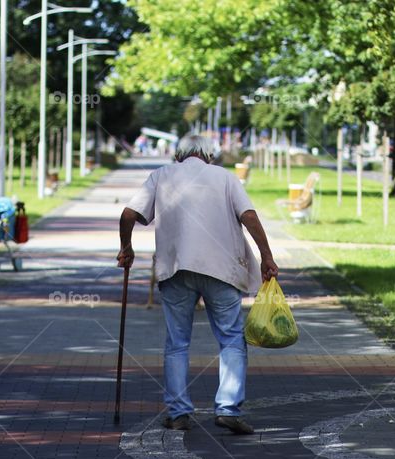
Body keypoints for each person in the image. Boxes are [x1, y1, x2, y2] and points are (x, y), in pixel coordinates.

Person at [117, 135, 278, 435]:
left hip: (176, 269)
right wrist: (266, 256)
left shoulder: (161, 176)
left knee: (177, 343)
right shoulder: (225, 178)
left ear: (179, 155)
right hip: (221, 270)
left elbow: (128, 214)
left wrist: (126, 248)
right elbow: (249, 216)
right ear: (209, 155)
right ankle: (228, 409)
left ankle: (178, 412)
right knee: (231, 338)